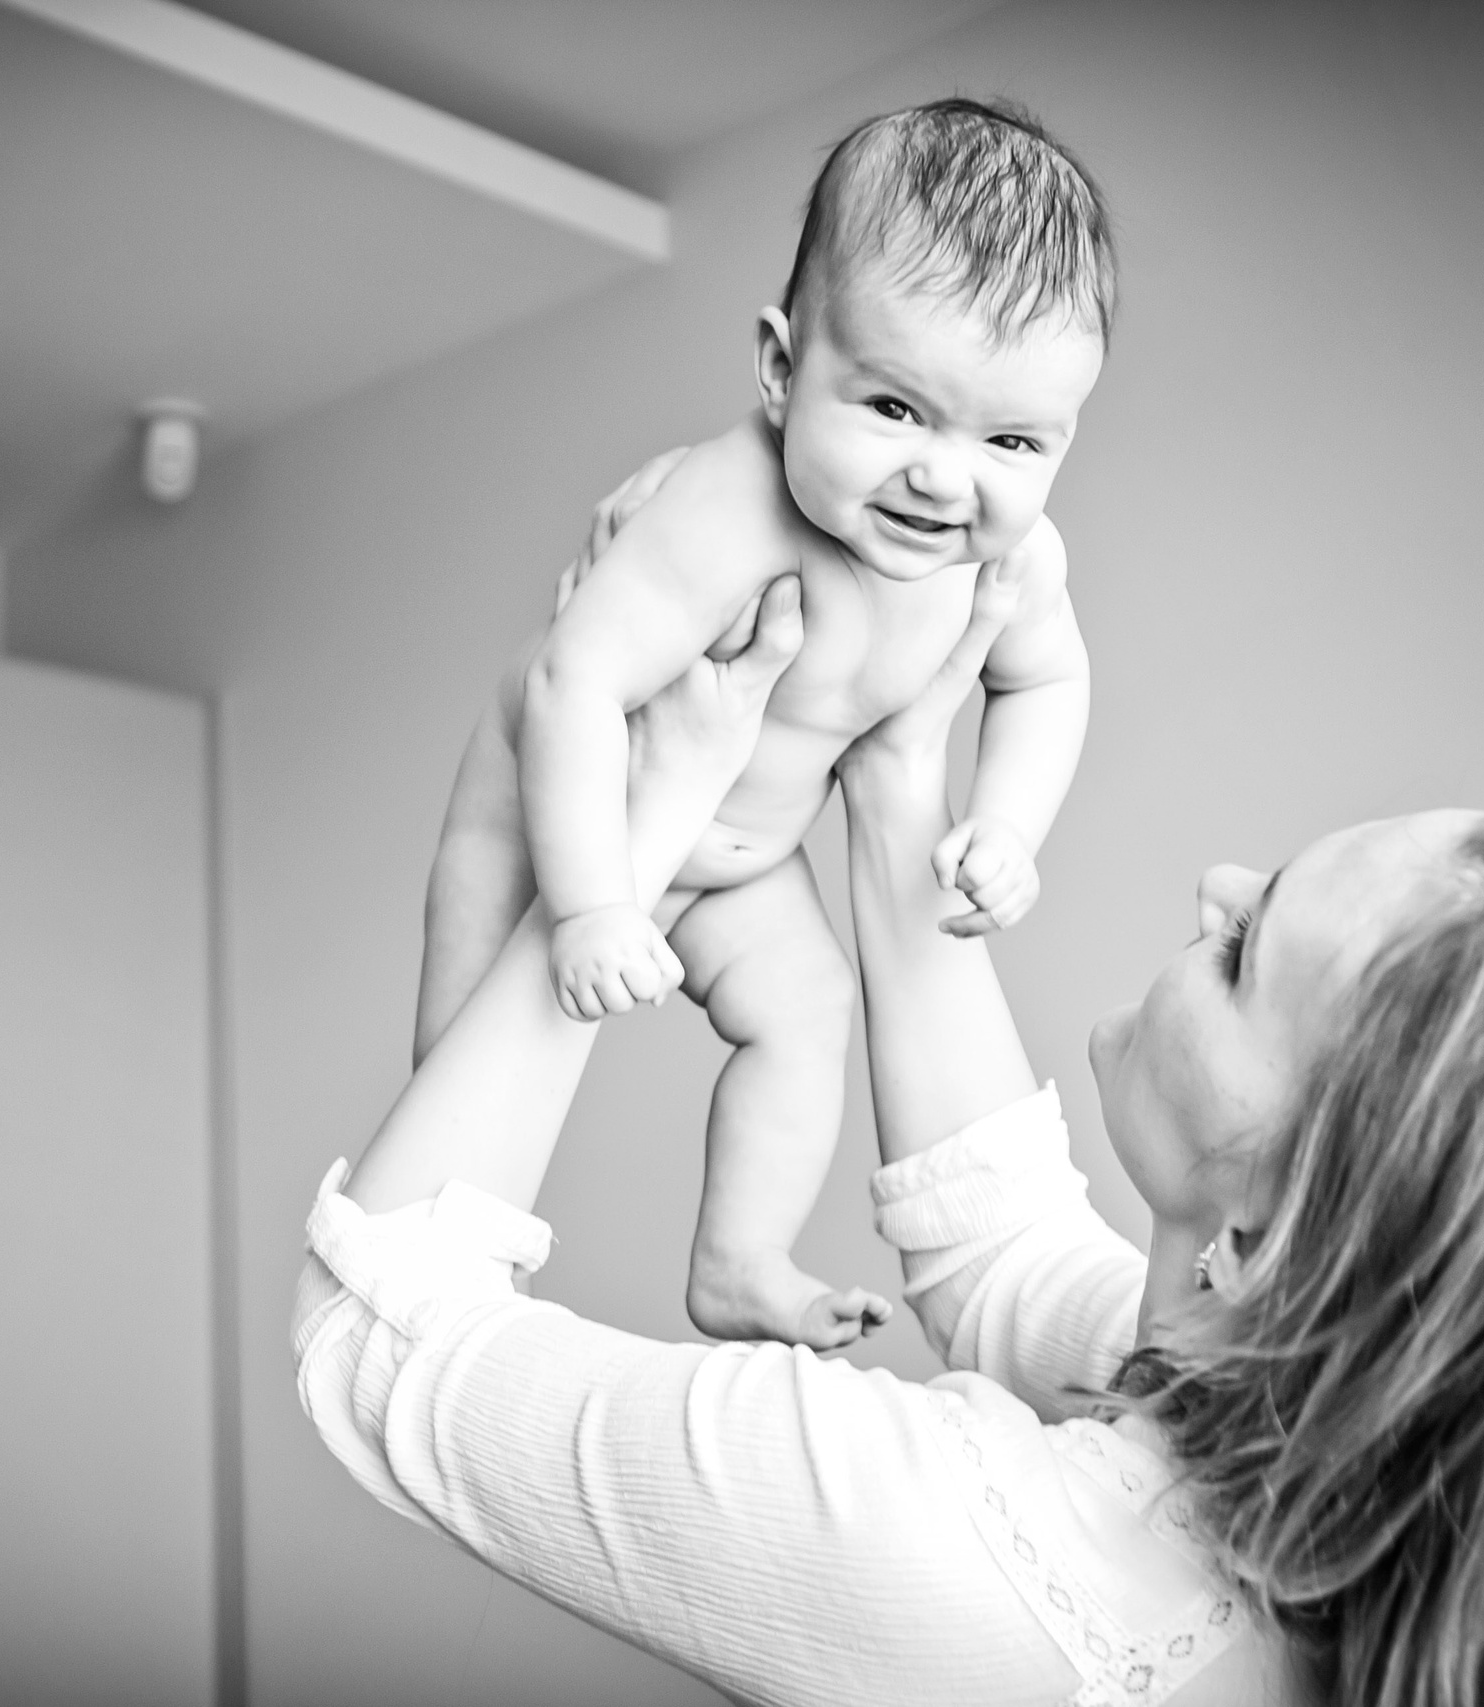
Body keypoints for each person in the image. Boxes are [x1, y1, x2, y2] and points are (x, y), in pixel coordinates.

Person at [300, 560, 1484, 1699]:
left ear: (1258, 1250)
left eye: (1248, 944)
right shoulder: (1336, 1459)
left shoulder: (968, 1578)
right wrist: (895, 769)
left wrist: (641, 814)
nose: (1218, 884)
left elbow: (378, 1339)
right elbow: (1006, 1251)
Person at [415, 98, 1108, 1350]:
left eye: (1010, 439)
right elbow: (574, 687)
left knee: (809, 1009)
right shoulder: (722, 508)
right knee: (470, 1051)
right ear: (784, 372)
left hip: (743, 856)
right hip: (554, 808)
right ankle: (440, 1242)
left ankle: (738, 1264)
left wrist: (1006, 824)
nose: (945, 477)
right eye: (894, 408)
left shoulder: (1008, 566)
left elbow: (1045, 683)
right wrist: (589, 906)